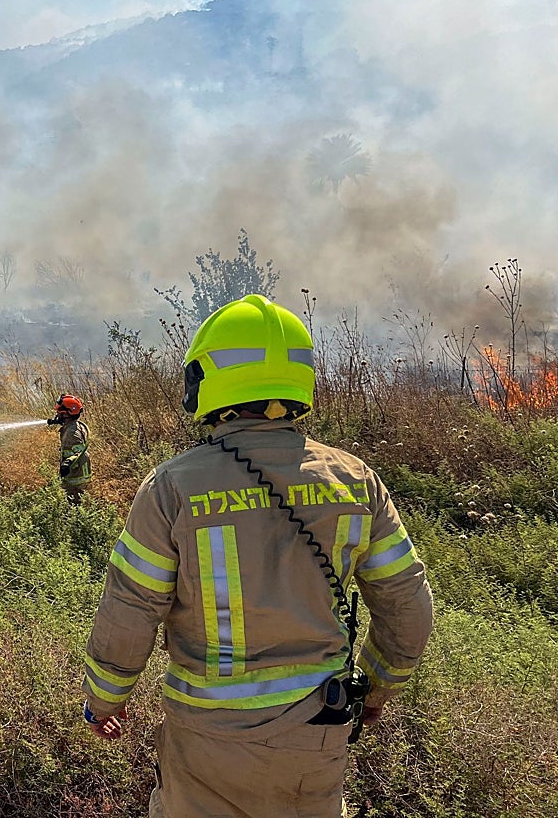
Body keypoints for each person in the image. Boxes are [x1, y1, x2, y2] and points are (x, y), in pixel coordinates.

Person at [81, 294, 434, 818]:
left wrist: (105, 700)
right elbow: (409, 610)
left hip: (206, 744)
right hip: (316, 737)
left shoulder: (172, 487)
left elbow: (130, 609)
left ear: (206, 382)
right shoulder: (356, 480)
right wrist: (378, 688)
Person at [48, 393, 92, 505]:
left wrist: (68, 462)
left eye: (59, 412)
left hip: (76, 477)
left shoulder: (72, 432)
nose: (57, 414)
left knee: (75, 506)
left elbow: (80, 452)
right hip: (74, 474)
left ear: (67, 413)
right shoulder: (73, 426)